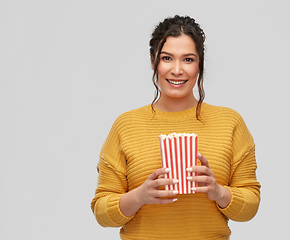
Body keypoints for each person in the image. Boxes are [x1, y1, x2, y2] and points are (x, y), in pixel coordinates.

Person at [91, 15, 261, 240]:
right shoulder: (126, 125)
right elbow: (102, 212)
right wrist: (140, 196)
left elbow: (251, 206)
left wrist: (218, 191)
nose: (177, 70)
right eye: (167, 58)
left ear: (200, 63)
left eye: (188, 59)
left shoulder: (230, 123)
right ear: (153, 61)